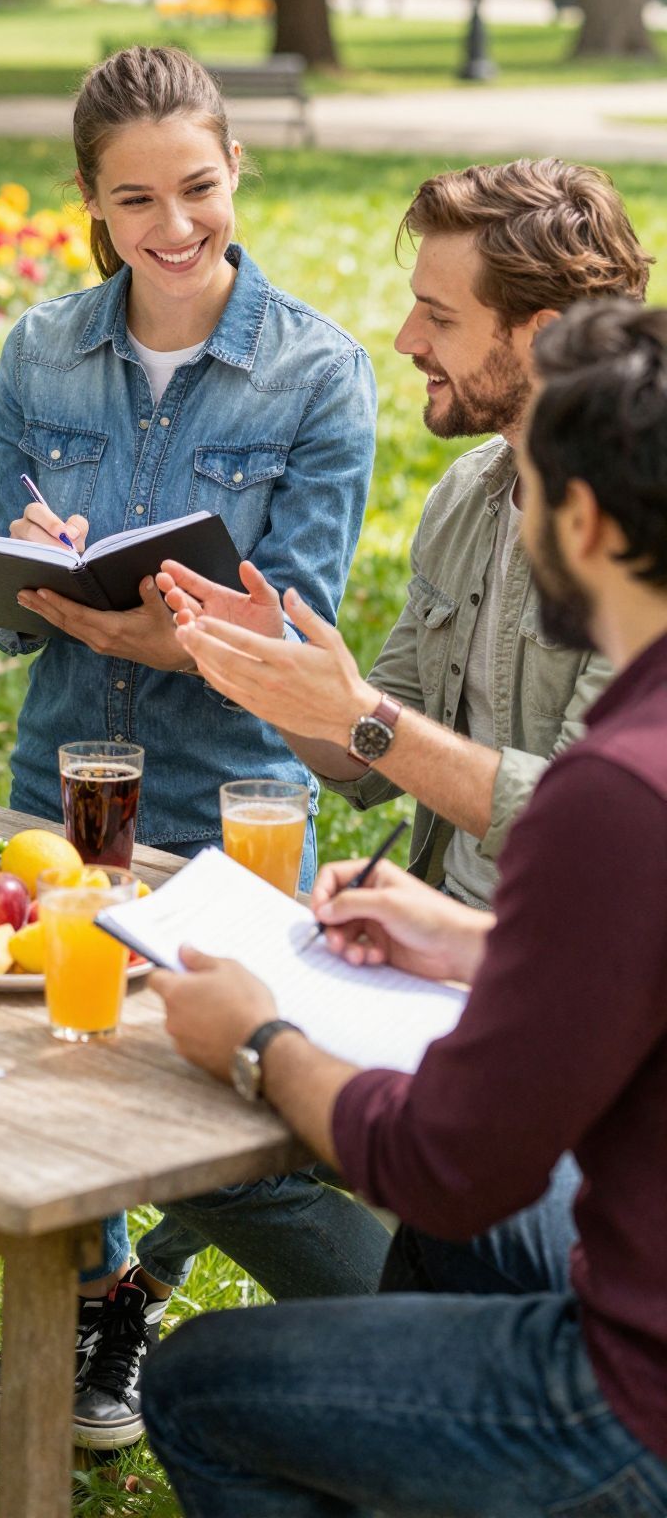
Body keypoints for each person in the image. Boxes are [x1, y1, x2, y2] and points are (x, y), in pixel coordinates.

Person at [142, 298, 667, 1518]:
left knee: (196, 1387)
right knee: (449, 1262)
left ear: (580, 521)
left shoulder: (610, 788)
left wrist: (262, 1042)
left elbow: (450, 1162)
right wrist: (478, 942)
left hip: (632, 1393)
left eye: (530, 495)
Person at [0, 45, 380, 1446]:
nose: (174, 227)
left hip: (227, 795)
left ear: (236, 170)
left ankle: (139, 1290)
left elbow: (297, 647)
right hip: (62, 776)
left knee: (204, 1106)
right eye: (136, 199)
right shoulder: (41, 350)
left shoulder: (317, 372)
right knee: (46, 1063)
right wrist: (35, 575)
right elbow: (16, 617)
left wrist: (170, 636)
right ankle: (85, 1286)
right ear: (91, 199)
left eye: (197, 188)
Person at [164, 157, 652, 903]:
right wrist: (268, 668)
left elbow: (582, 825)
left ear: (542, 338)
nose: (404, 338)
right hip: (439, 920)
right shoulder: (469, 495)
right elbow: (367, 760)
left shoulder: (639, 538)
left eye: (441, 316)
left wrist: (361, 712)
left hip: (563, 947)